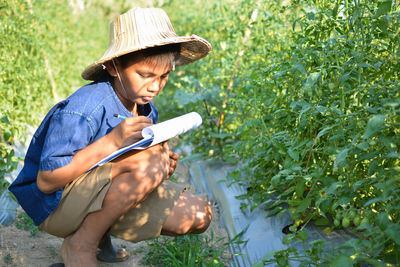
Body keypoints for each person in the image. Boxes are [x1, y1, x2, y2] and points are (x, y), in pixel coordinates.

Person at [8, 7, 212, 267]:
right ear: (114, 67)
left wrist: (162, 167)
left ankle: (97, 234)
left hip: (101, 194)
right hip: (55, 204)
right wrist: (112, 143)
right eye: (145, 75)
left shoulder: (143, 104)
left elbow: (127, 169)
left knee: (198, 215)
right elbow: (47, 181)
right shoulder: (85, 109)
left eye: (164, 77)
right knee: (148, 160)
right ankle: (81, 244)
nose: (155, 86)